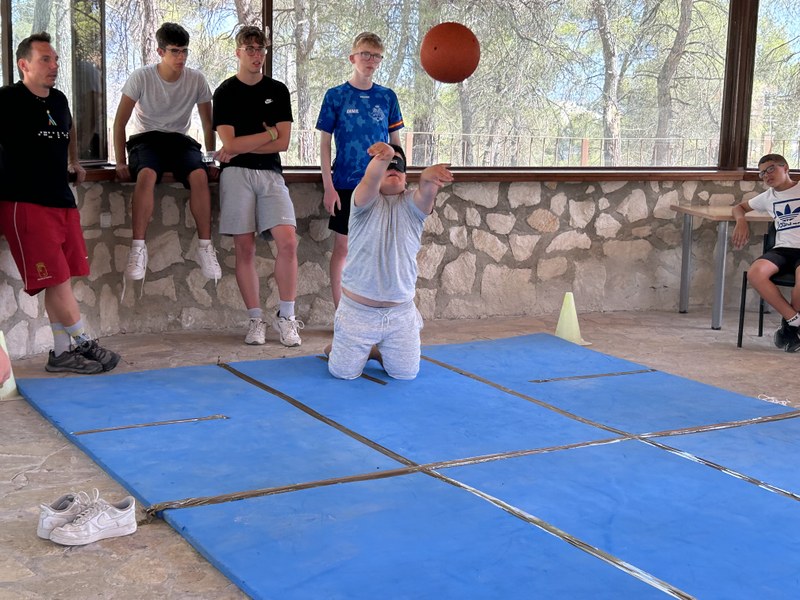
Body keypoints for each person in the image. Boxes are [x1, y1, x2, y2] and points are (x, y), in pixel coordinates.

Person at [0, 32, 120, 374]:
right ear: (24, 65)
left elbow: (69, 129)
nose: (54, 65)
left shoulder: (59, 99)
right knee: (57, 280)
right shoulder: (7, 99)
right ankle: (84, 342)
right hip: (25, 203)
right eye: (45, 59)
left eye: (55, 59)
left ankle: (61, 353)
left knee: (62, 278)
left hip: (62, 201)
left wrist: (75, 161)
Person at [326, 142, 452, 380]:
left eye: (398, 166)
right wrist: (384, 158)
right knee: (342, 373)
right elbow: (370, 180)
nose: (393, 169)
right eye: (387, 166)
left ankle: (373, 351)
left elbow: (427, 192)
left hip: (400, 315)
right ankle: (353, 348)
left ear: (406, 178)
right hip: (358, 313)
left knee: (406, 374)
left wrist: (428, 178)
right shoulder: (362, 201)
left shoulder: (414, 206)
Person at [212, 25, 303, 347]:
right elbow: (229, 144)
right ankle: (255, 320)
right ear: (238, 52)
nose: (256, 55)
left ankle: (286, 317)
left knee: (288, 241)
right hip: (235, 174)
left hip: (271, 175)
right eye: (249, 49)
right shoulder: (225, 92)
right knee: (245, 247)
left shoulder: (277, 90)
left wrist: (244, 144)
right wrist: (268, 133)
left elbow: (284, 143)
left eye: (260, 49)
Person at [113, 22, 221, 288]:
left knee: (199, 175)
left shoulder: (196, 79)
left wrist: (211, 159)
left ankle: (205, 247)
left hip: (180, 141)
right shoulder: (141, 77)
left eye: (185, 51)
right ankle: (138, 249)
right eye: (175, 51)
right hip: (146, 140)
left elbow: (208, 123)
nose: (181, 57)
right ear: (160, 52)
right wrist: (120, 162)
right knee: (147, 175)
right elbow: (119, 123)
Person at [315, 32, 404, 308]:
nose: (371, 60)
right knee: (343, 248)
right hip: (345, 184)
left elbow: (396, 145)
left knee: (377, 249)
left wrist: (400, 180)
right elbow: (324, 145)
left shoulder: (387, 97)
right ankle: (342, 313)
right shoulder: (336, 96)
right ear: (352, 57)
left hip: (380, 186)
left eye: (376, 56)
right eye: (365, 54)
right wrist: (328, 187)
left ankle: (372, 310)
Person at [732, 153, 800, 352]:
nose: (766, 175)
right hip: (782, 250)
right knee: (756, 272)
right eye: (762, 173)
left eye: (771, 169)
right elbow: (739, 207)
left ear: (785, 168)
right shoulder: (768, 197)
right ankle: (794, 321)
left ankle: (789, 330)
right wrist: (741, 221)